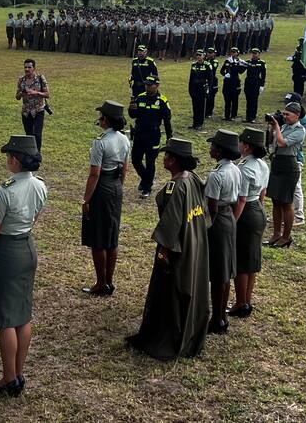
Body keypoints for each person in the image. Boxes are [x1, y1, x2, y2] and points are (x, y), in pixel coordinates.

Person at [0, 135, 47, 397]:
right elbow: (34, 218)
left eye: (8, 156)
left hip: (7, 252)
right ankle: (18, 373)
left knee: (6, 318)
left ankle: (8, 378)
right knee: (22, 314)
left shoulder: (4, 191)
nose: (7, 160)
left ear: (15, 160)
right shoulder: (40, 186)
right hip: (27, 247)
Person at [125, 137, 209, 360]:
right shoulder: (193, 179)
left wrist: (164, 250)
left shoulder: (175, 187)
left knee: (170, 293)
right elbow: (205, 215)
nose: (164, 158)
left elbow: (171, 223)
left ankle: (165, 339)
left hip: (177, 248)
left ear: (173, 160)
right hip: (194, 243)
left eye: (167, 155)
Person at [81, 100, 131, 296]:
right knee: (112, 237)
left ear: (106, 119)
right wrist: (119, 187)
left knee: (99, 238)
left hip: (101, 188)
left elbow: (94, 174)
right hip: (116, 186)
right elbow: (125, 168)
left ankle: (101, 283)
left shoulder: (100, 142)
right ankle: (109, 280)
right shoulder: (125, 140)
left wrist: (86, 200)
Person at [203, 129, 245, 335]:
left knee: (217, 272)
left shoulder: (216, 175)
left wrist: (204, 226)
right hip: (229, 217)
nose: (210, 148)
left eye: (213, 146)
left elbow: (211, 207)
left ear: (219, 151)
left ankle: (217, 318)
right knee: (225, 270)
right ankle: (221, 316)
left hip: (217, 220)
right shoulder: (236, 170)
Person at [230, 128, 268, 318]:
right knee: (252, 260)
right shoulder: (262, 165)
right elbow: (263, 193)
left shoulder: (244, 168)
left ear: (246, 146)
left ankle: (240, 303)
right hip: (258, 211)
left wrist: (233, 222)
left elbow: (241, 199)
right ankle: (247, 300)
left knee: (242, 262)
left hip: (245, 213)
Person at [266, 102, 306, 248]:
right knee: (276, 201)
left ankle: (286, 236)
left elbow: (282, 143)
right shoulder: (284, 127)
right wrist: (272, 129)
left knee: (286, 202)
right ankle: (276, 234)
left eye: (287, 114)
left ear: (297, 115)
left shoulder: (300, 130)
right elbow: (272, 143)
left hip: (289, 167)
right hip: (277, 164)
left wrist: (276, 127)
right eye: (283, 114)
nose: (285, 117)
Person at [129, 75, 173, 198]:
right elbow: (133, 115)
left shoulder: (162, 101)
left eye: (150, 85)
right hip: (139, 135)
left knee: (150, 162)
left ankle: (147, 187)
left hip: (153, 136)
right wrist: (131, 109)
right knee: (135, 160)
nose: (147, 87)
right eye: (146, 84)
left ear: (157, 85)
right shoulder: (140, 97)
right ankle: (146, 179)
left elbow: (167, 120)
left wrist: (170, 137)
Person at [282, 92, 306, 225]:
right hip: (285, 156)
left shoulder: (303, 122)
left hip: (295, 156)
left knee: (295, 187)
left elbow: (295, 140)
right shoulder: (288, 121)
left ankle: (299, 215)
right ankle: (287, 214)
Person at [15, 59, 50, 151]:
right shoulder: (21, 80)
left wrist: (36, 93)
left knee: (37, 135)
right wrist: (22, 93)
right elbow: (17, 97)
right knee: (29, 135)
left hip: (38, 110)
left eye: (29, 67)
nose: (27, 69)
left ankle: (37, 155)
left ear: (34, 68)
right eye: (25, 67)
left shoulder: (40, 78)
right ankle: (30, 154)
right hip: (26, 112)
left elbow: (47, 94)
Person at [187, 52, 211, 130]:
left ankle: (200, 123)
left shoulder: (207, 65)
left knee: (201, 106)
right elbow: (191, 78)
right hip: (195, 88)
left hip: (202, 88)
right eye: (197, 55)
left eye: (200, 55)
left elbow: (210, 78)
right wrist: (190, 89)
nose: (198, 56)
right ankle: (195, 123)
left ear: (203, 56)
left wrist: (208, 89)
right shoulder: (194, 65)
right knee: (195, 106)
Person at [243, 48, 267, 123]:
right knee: (248, 100)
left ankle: (253, 117)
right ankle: (248, 117)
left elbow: (263, 75)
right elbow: (241, 71)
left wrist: (262, 85)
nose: (254, 55)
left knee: (254, 101)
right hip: (248, 83)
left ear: (259, 54)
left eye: (255, 53)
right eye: (253, 53)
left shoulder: (262, 63)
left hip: (256, 83)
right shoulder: (248, 62)